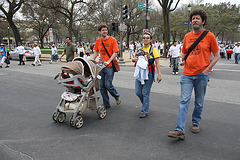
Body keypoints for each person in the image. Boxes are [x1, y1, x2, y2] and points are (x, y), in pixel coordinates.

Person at [168, 8, 220, 140]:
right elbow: (184, 51)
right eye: (193, 19)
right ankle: (179, 129)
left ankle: (195, 122)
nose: (195, 20)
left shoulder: (210, 36)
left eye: (197, 18)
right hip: (187, 74)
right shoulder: (187, 36)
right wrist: (182, 59)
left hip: (202, 74)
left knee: (199, 102)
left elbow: (217, 55)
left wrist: (208, 69)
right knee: (184, 100)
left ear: (203, 21)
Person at [132, 32, 162, 118]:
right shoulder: (139, 49)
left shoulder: (153, 50)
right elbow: (134, 59)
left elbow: (157, 63)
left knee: (145, 92)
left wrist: (159, 74)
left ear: (150, 39)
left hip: (149, 73)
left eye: (147, 38)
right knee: (138, 92)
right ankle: (146, 103)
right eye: (144, 37)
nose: (145, 39)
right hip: (139, 73)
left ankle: (144, 110)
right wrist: (134, 60)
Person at [92, 24, 121, 108]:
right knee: (102, 86)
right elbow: (96, 52)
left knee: (108, 85)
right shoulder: (98, 41)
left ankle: (116, 96)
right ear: (99, 32)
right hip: (100, 67)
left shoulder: (112, 40)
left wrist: (108, 61)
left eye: (106, 30)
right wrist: (91, 60)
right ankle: (106, 103)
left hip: (109, 66)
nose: (105, 31)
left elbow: (115, 52)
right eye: (103, 30)